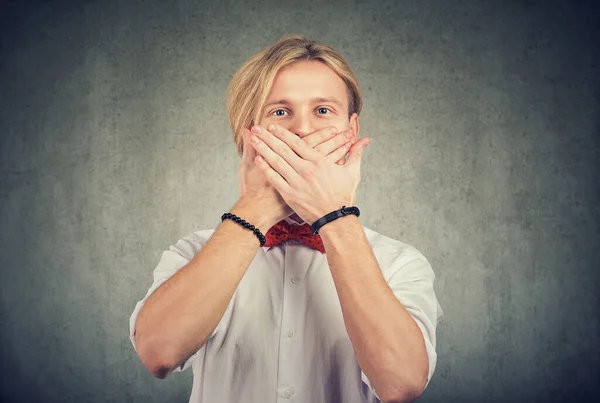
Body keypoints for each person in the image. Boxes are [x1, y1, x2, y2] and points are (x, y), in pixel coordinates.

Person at [129, 34, 444, 403]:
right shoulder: (193, 253)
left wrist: (334, 214)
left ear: (351, 131)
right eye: (280, 112)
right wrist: (255, 208)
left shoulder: (399, 263)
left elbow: (401, 385)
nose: (303, 130)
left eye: (323, 111)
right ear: (248, 135)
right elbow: (158, 354)